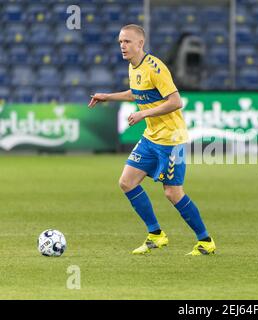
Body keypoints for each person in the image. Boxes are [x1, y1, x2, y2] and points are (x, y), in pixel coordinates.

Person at [88, 24, 216, 256]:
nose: (122, 46)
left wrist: (143, 113)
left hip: (171, 139)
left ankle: (205, 241)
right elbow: (135, 92)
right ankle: (156, 235)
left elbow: (176, 101)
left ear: (140, 44)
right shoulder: (132, 66)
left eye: (126, 42)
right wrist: (108, 96)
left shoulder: (156, 68)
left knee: (172, 193)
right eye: (120, 42)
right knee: (127, 182)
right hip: (151, 137)